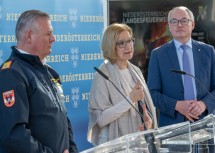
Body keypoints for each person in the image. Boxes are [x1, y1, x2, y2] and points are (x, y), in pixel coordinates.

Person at [0, 10, 78, 153]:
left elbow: (63, 119)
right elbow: (14, 135)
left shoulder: (50, 72)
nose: (53, 38)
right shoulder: (12, 74)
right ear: (29, 36)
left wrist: (72, 150)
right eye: (48, 33)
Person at [87, 23, 157, 146]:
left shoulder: (136, 71)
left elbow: (141, 106)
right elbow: (100, 120)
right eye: (121, 43)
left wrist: (147, 120)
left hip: (139, 142)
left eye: (130, 41)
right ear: (111, 46)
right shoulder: (102, 75)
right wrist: (130, 99)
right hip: (115, 144)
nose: (128, 46)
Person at [147, 6, 215, 127]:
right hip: (172, 126)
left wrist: (204, 104)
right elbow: (153, 94)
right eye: (174, 21)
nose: (179, 25)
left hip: (205, 123)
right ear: (169, 26)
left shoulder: (208, 51)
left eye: (184, 20)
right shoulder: (158, 55)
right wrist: (177, 105)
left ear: (192, 24)